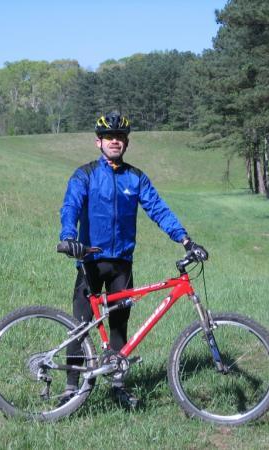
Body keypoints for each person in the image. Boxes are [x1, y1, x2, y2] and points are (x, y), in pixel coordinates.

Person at [58, 111, 208, 409]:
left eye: (120, 137)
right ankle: (70, 387)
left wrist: (185, 239)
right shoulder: (85, 174)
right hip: (90, 262)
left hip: (121, 265)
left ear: (126, 143)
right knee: (80, 325)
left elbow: (159, 210)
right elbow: (70, 205)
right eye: (109, 137)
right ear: (98, 142)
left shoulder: (135, 178)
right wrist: (68, 236)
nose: (115, 141)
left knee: (118, 327)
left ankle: (117, 384)